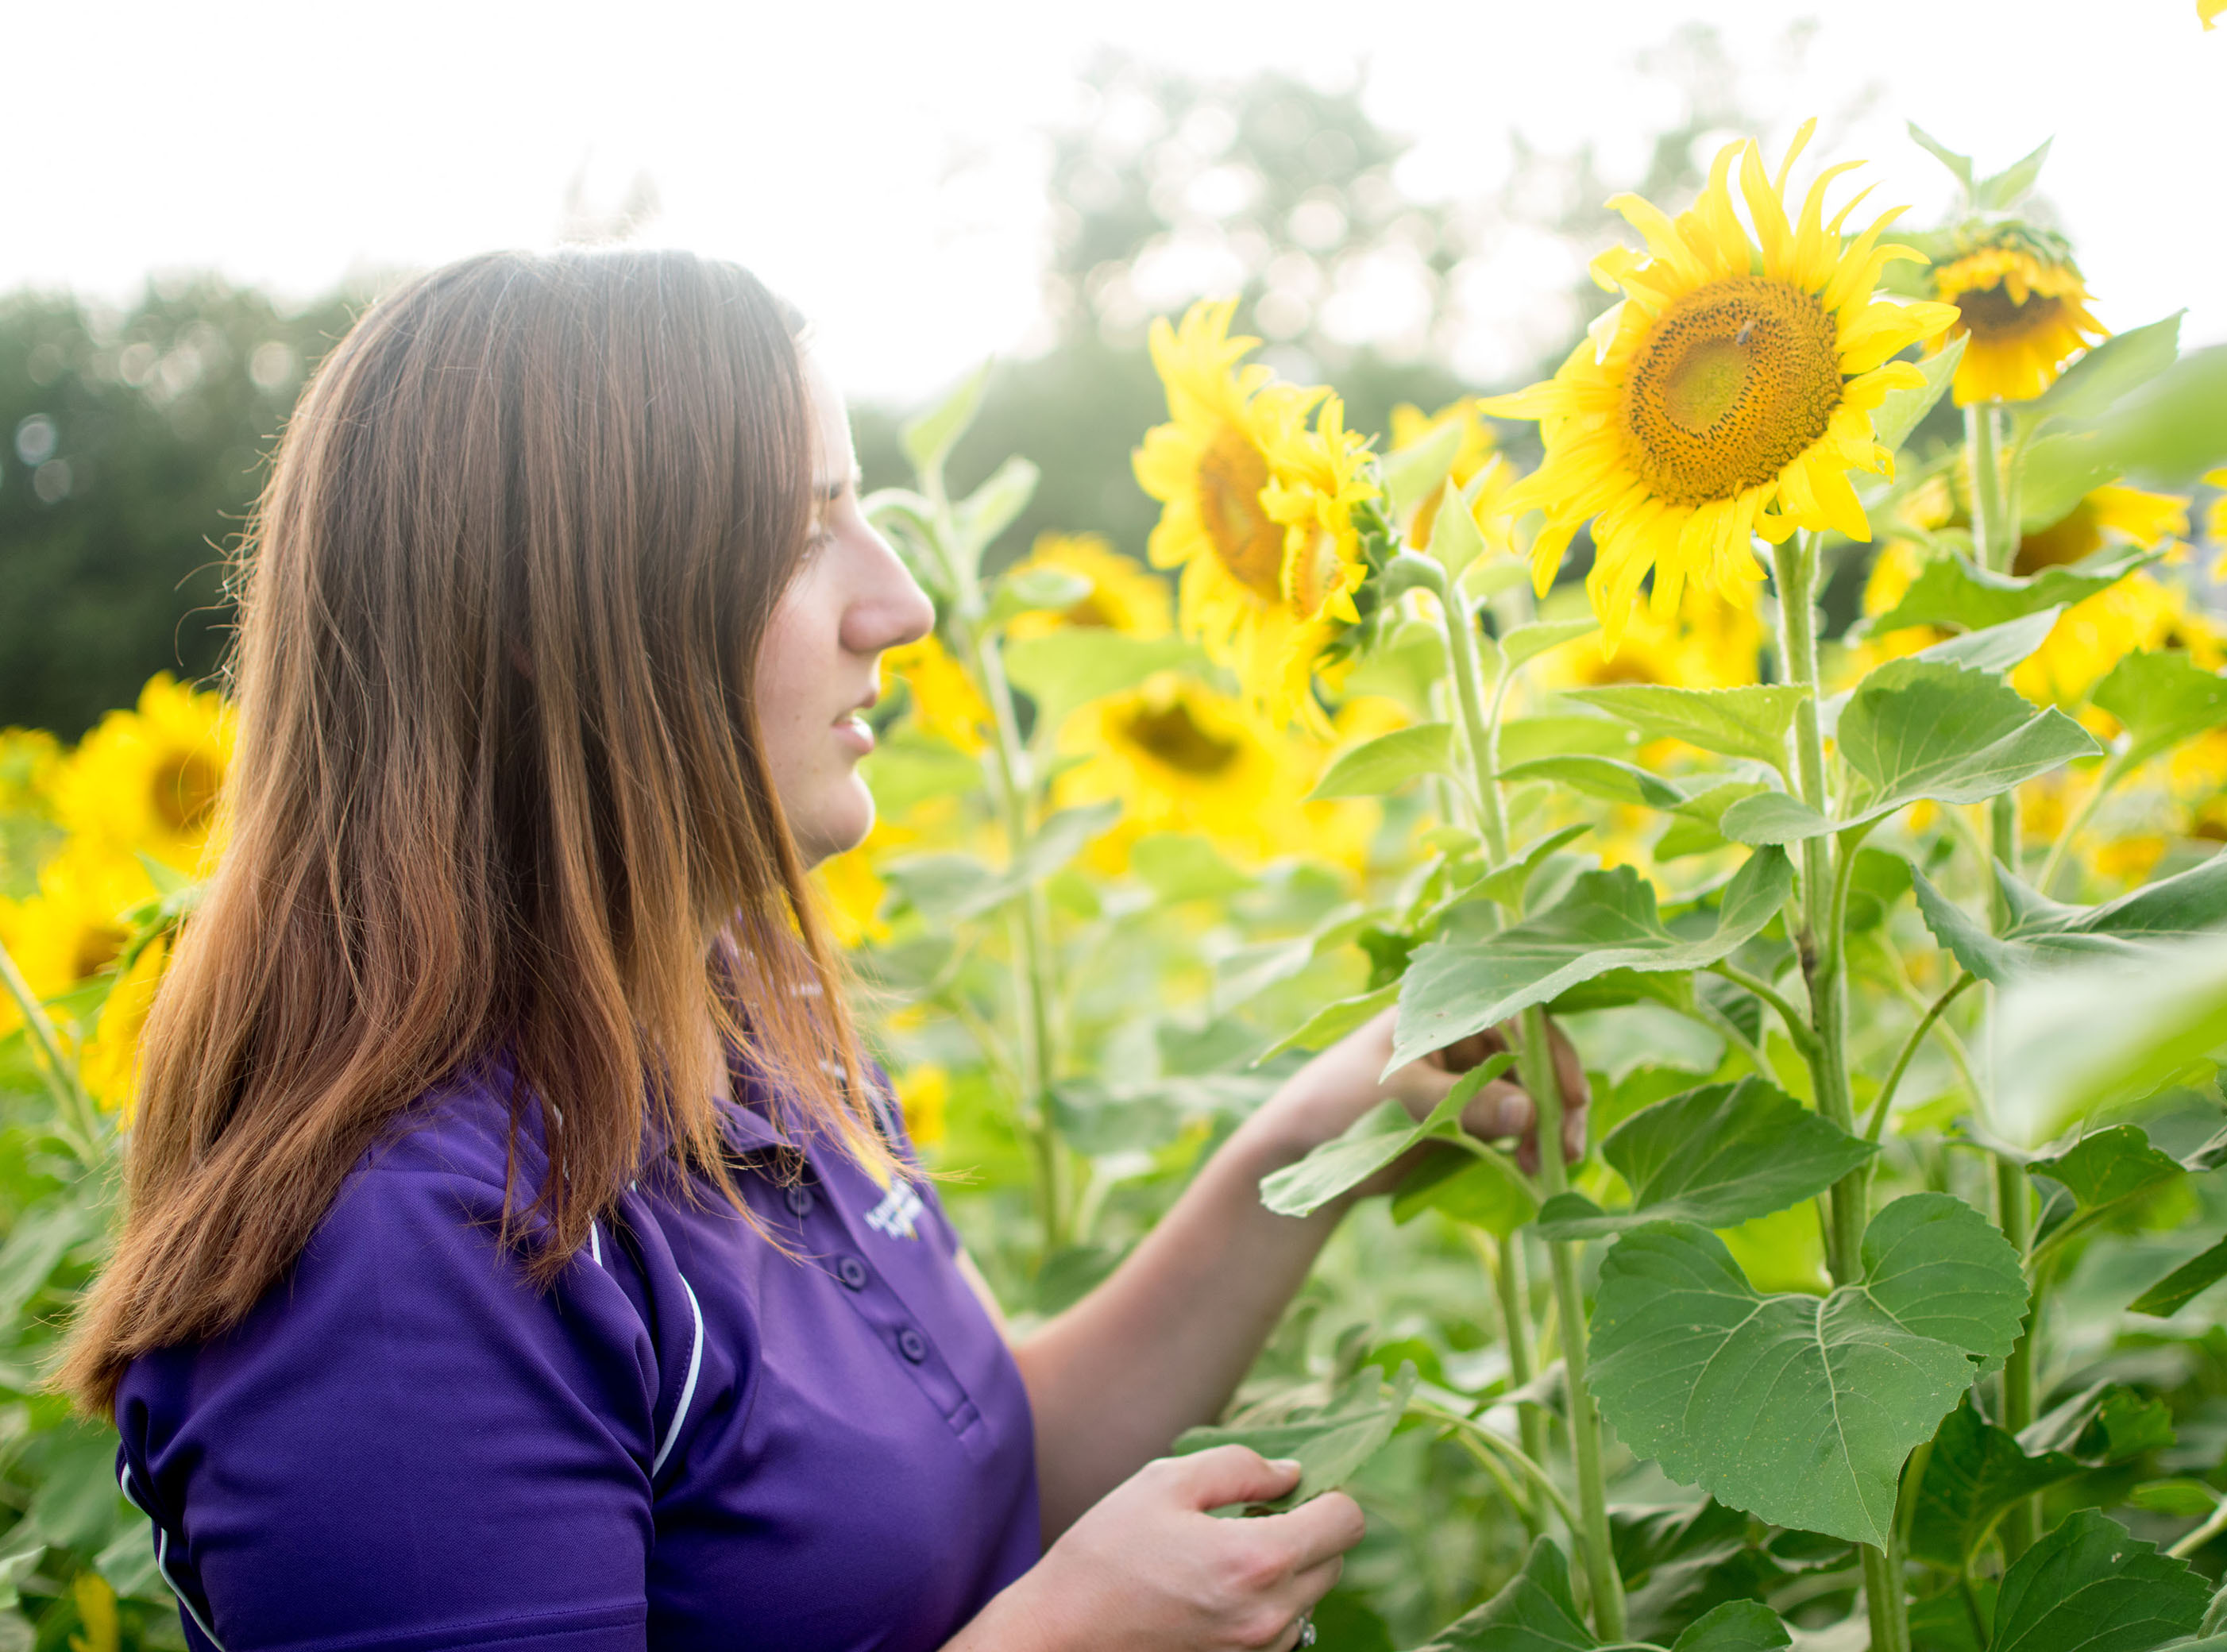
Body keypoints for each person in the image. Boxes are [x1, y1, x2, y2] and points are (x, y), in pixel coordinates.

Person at [60, 249, 1582, 1652]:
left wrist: (1308, 1144)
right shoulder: (402, 1267)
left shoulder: (727, 1009)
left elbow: (963, 1473)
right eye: (804, 538)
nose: (901, 605)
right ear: (560, 623)